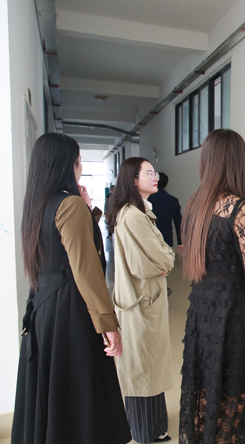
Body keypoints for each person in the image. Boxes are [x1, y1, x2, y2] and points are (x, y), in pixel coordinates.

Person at [12, 133, 130, 444]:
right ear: (68, 164)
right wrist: (108, 323)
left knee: (54, 393)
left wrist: (88, 211)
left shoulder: (37, 205)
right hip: (70, 313)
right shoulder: (70, 204)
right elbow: (86, 270)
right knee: (79, 395)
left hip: (43, 311)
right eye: (78, 161)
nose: (80, 167)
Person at [179, 129, 245, 444]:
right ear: (239, 162)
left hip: (201, 311)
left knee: (205, 390)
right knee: (232, 397)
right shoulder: (241, 208)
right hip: (232, 314)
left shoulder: (195, 204)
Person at [107, 157, 175, 443]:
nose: (154, 177)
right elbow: (155, 260)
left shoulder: (138, 210)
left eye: (154, 172)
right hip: (140, 300)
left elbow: (160, 254)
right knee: (143, 368)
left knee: (149, 365)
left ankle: (156, 426)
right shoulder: (133, 215)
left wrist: (164, 257)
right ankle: (146, 432)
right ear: (134, 180)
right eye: (149, 173)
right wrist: (167, 259)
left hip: (144, 299)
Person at [148, 172, 183, 252]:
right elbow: (179, 223)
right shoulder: (173, 200)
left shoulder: (146, 199)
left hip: (148, 237)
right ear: (166, 184)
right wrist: (180, 242)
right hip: (166, 239)